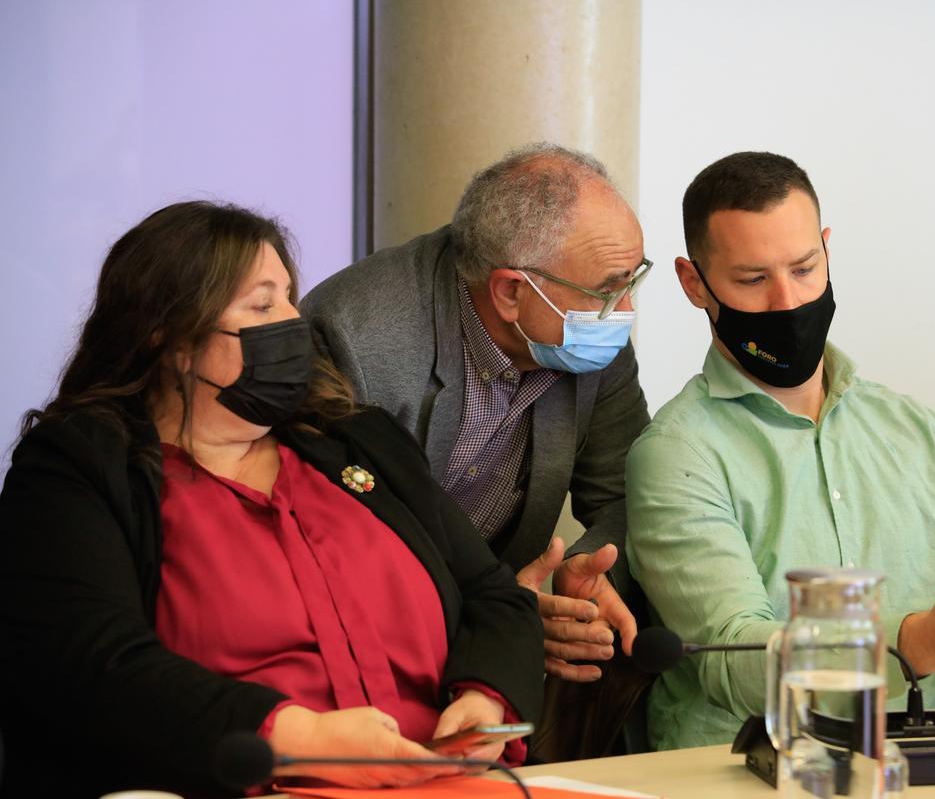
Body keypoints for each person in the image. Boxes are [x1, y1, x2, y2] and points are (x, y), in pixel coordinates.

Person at [0, 202, 544, 798]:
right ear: (172, 336)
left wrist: (486, 695)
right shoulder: (76, 469)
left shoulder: (359, 440)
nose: (295, 322)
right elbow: (94, 667)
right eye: (262, 305)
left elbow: (494, 595)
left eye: (289, 297)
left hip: (443, 783)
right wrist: (296, 737)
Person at [624, 152, 935, 751]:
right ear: (694, 283)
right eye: (752, 279)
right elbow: (734, 656)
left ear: (827, 249)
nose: (787, 301)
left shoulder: (914, 429)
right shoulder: (675, 454)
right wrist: (917, 642)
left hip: (917, 762)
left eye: (804, 268)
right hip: (740, 771)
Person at [302, 143, 651, 684]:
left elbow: (631, 491)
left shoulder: (590, 333)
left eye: (632, 281)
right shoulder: (356, 339)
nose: (625, 312)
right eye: (608, 291)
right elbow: (332, 558)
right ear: (511, 292)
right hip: (373, 653)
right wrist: (495, 617)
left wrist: (578, 579)